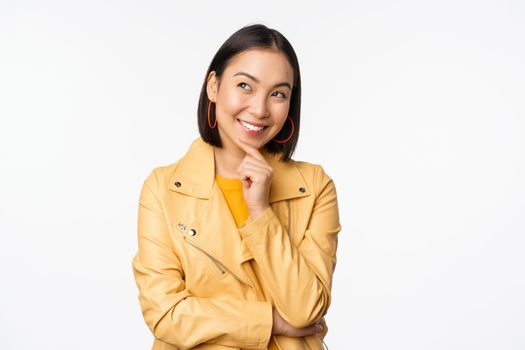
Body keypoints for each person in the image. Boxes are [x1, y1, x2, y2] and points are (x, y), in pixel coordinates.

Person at [131, 23, 342, 350]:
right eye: (245, 85)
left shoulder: (313, 187)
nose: (259, 109)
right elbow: (165, 314)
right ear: (213, 86)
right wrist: (270, 321)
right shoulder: (164, 189)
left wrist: (260, 212)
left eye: (278, 94)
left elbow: (305, 309)